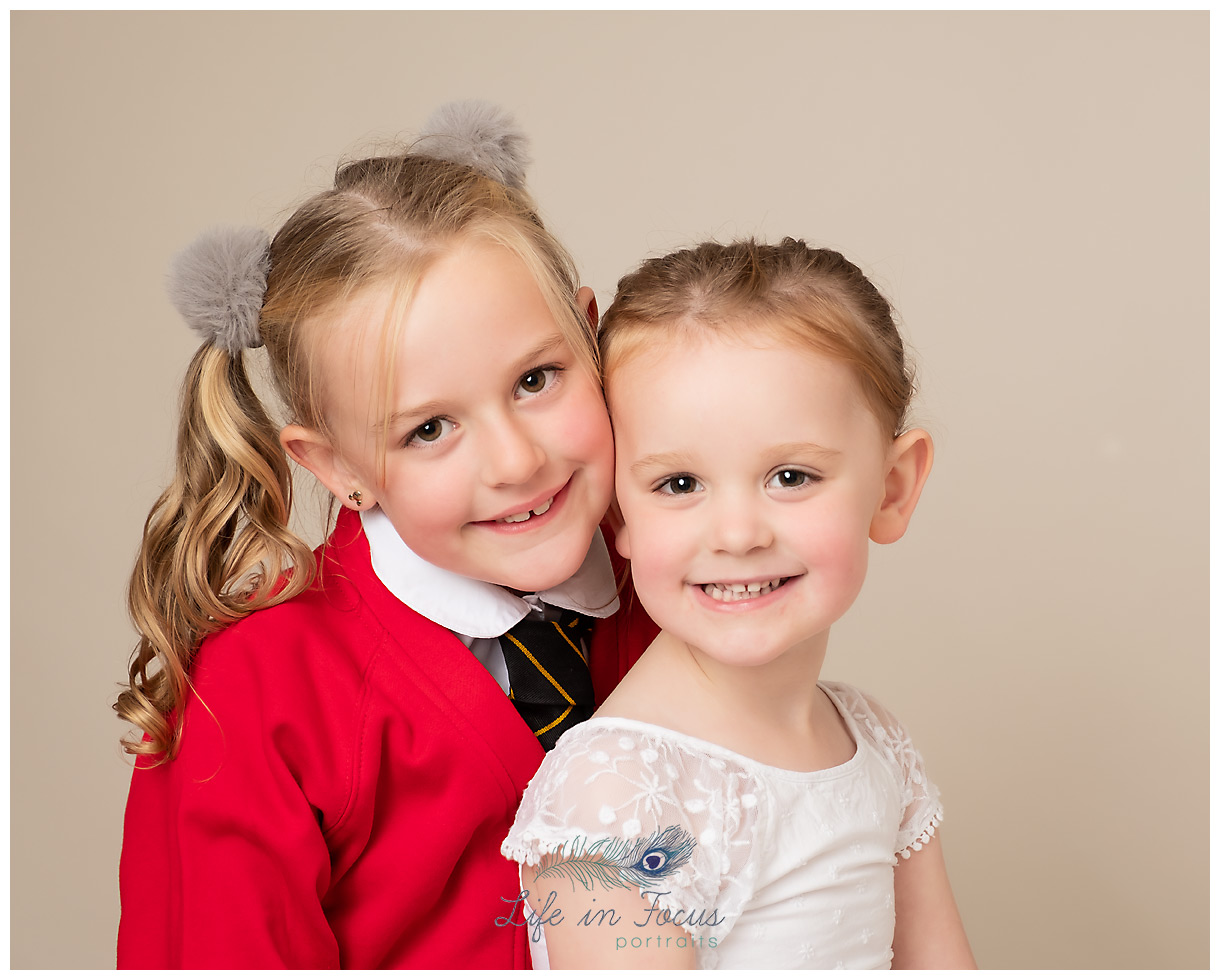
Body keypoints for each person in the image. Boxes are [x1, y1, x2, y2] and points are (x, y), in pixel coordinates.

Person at [114, 101, 656, 969]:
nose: (515, 461)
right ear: (336, 468)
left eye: (536, 379)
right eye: (429, 430)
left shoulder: (681, 569)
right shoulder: (261, 693)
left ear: (590, 335)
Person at [502, 238, 975, 969]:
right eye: (679, 485)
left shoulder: (873, 741)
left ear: (892, 487)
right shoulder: (619, 794)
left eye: (790, 475)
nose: (738, 535)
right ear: (619, 517)